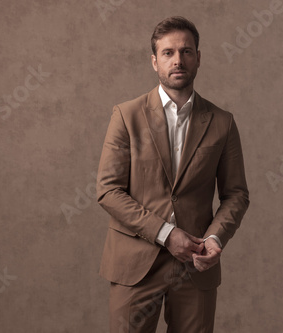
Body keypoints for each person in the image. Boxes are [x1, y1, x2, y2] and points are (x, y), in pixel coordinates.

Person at [96, 16, 250, 332]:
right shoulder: (126, 116)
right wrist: (166, 234)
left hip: (196, 264)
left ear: (198, 58)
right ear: (155, 61)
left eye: (186, 51)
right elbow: (108, 191)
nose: (178, 60)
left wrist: (214, 237)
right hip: (135, 263)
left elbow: (236, 194)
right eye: (168, 53)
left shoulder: (222, 122)